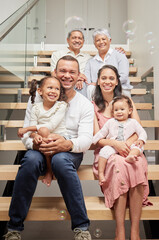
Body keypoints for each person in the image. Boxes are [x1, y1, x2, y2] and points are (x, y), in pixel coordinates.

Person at [4, 55, 94, 240]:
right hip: (40, 148)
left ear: (79, 76)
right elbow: (27, 136)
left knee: (61, 161)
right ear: (54, 72)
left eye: (72, 72)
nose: (67, 75)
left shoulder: (84, 104)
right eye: (63, 70)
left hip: (68, 151)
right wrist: (34, 142)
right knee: (29, 161)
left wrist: (68, 144)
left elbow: (86, 139)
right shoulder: (36, 99)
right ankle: (14, 228)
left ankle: (81, 227)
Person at [92, 64, 151, 240]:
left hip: (129, 148)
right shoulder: (94, 106)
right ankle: (120, 231)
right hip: (107, 152)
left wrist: (126, 145)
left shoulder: (127, 102)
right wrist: (115, 144)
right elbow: (97, 138)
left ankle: (134, 231)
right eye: (104, 78)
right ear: (98, 81)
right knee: (118, 164)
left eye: (111, 78)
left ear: (117, 80)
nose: (107, 81)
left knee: (137, 162)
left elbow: (138, 131)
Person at [17, 76, 68, 186]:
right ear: (40, 91)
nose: (53, 91)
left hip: (58, 137)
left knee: (44, 130)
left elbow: (50, 125)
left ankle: (49, 170)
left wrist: (26, 129)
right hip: (43, 138)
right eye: (50, 88)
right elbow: (32, 129)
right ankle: (49, 169)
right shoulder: (35, 107)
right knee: (42, 134)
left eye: (57, 89)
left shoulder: (61, 106)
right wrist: (35, 136)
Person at [92, 95, 147, 186]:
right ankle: (101, 173)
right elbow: (102, 133)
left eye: (122, 109)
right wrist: (94, 139)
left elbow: (142, 132)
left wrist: (141, 140)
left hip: (129, 145)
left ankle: (131, 156)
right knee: (104, 152)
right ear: (112, 112)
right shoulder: (110, 122)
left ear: (129, 111)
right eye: (116, 110)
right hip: (114, 145)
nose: (119, 112)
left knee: (137, 148)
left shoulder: (133, 122)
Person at [85, 28, 132, 100]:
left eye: (103, 39)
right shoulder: (90, 62)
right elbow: (88, 81)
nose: (101, 42)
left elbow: (124, 76)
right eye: (98, 40)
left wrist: (108, 84)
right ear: (94, 44)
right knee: (90, 88)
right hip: (98, 92)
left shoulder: (120, 55)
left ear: (109, 41)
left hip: (119, 89)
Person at [50, 29, 91, 96]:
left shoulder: (88, 57)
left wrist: (80, 79)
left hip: (80, 86)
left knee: (83, 85)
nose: (77, 40)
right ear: (68, 40)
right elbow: (54, 74)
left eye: (80, 38)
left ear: (83, 41)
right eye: (74, 38)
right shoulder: (57, 54)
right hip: (63, 82)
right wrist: (77, 78)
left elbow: (86, 77)